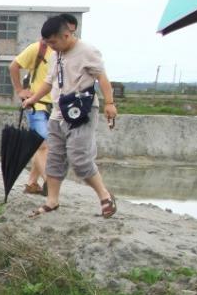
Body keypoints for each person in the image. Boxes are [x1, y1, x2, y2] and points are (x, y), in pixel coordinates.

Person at [24, 15, 118, 218]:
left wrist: (109, 103)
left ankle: (105, 196)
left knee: (80, 158)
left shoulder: (87, 51)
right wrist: (33, 99)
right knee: (55, 158)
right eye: (47, 43)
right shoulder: (55, 54)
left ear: (66, 35)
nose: (51, 46)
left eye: (53, 42)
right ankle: (52, 201)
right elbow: (49, 82)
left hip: (81, 112)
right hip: (58, 113)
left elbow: (102, 77)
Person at [9, 13, 78, 194]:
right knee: (41, 145)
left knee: (50, 147)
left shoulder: (70, 52)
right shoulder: (38, 49)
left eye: (71, 32)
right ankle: (49, 183)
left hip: (58, 107)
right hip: (36, 105)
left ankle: (32, 183)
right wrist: (20, 91)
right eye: (66, 31)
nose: (67, 35)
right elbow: (13, 66)